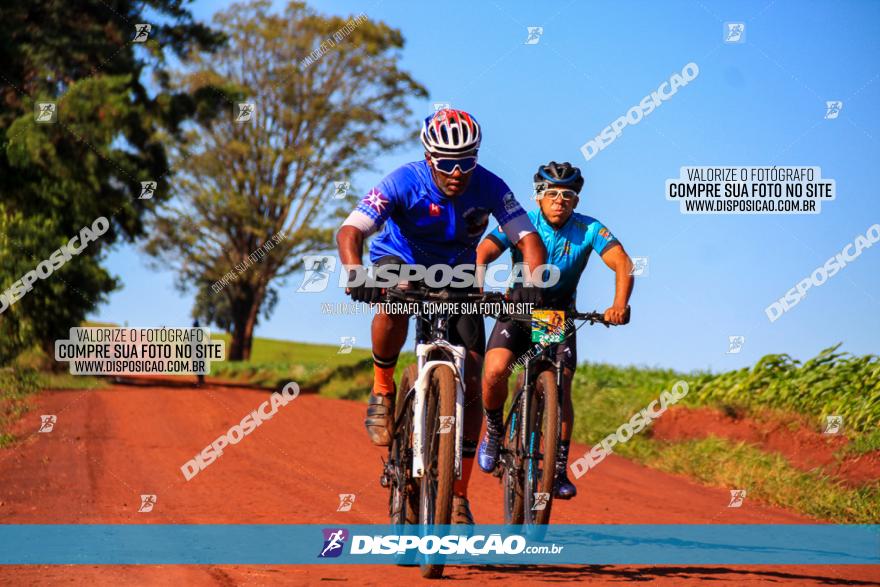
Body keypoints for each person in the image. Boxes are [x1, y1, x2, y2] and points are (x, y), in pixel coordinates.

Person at [336, 109, 546, 524]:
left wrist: (535, 281)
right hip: (400, 261)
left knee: (469, 381)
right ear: (428, 157)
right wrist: (355, 271)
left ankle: (457, 496)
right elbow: (350, 231)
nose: (457, 171)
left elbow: (528, 238)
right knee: (393, 301)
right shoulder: (402, 180)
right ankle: (382, 390)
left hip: (458, 274)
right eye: (447, 162)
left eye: (466, 161)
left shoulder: (490, 186)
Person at [476, 161, 634, 499]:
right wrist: (477, 285)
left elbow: (621, 261)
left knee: (560, 388)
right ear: (538, 197)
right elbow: (485, 251)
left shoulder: (589, 229)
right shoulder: (520, 223)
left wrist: (618, 304)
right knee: (495, 372)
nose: (559, 200)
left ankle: (558, 468)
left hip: (555, 318)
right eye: (551, 194)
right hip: (516, 311)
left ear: (576, 201)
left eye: (567, 195)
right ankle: (492, 431)